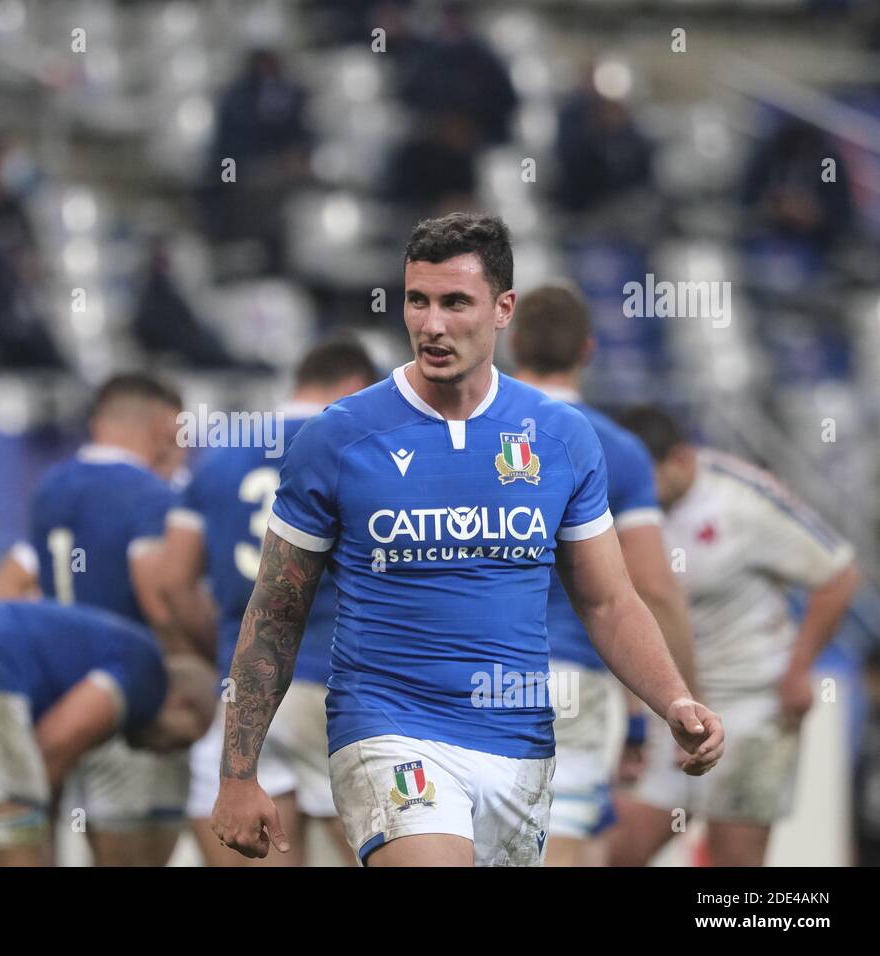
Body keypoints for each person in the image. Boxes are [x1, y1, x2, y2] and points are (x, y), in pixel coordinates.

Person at [210, 213, 724, 867]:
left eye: (456, 302)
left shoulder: (561, 438)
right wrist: (238, 771)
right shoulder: (338, 439)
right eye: (417, 301)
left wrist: (673, 698)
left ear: (503, 308)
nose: (432, 324)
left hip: (520, 744)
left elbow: (608, 602)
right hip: (387, 729)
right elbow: (276, 610)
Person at [160, 339, 378, 866]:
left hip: (241, 696)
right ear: (354, 385)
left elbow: (172, 582)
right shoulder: (358, 446)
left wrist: (232, 652)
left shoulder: (218, 456)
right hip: (338, 682)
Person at [612, 407, 859, 867]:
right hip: (670, 705)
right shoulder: (624, 501)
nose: (635, 492)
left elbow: (839, 574)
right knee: (616, 851)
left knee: (734, 866)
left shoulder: (743, 500)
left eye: (645, 479)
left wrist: (799, 671)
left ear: (681, 460)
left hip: (750, 705)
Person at [507, 284, 694, 866]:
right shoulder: (619, 449)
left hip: (470, 669)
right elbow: (651, 591)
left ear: (513, 344)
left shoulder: (466, 434)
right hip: (569, 677)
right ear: (588, 350)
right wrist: (682, 698)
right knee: (560, 840)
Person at [0, 600, 215, 866]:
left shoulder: (94, 638)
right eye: (183, 741)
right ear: (183, 703)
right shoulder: (147, 668)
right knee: (13, 846)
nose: (167, 754)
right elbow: (52, 746)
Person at [23, 373, 192, 865]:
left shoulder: (49, 487)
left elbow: (19, 581)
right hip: (125, 694)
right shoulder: (149, 494)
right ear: (164, 424)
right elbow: (159, 597)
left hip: (56, 692)